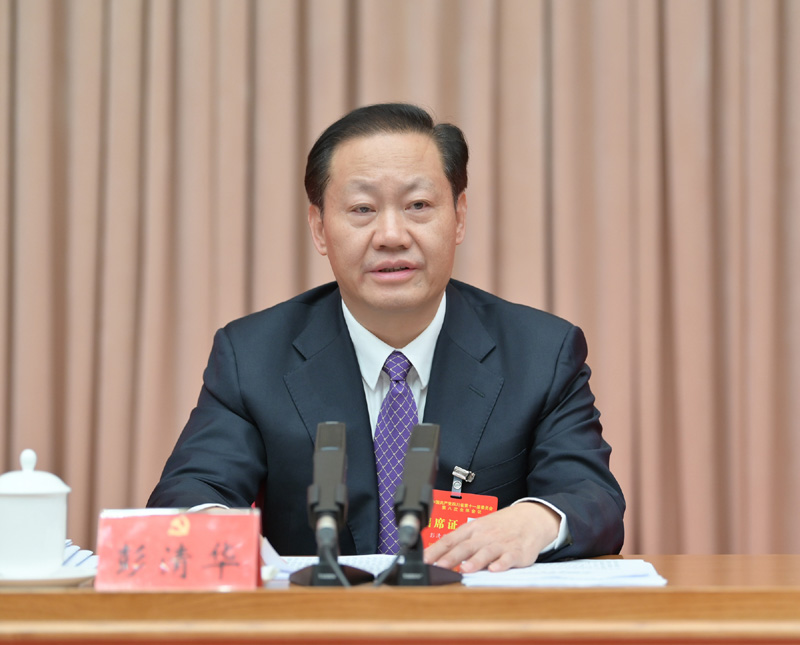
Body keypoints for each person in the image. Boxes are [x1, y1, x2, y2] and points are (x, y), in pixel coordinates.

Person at [148, 103, 625, 573]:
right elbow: (189, 493)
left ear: (459, 216)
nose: (392, 235)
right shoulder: (252, 356)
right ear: (319, 228)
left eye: (418, 206)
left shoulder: (541, 353)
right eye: (363, 209)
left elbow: (592, 497)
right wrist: (216, 535)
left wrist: (535, 521)